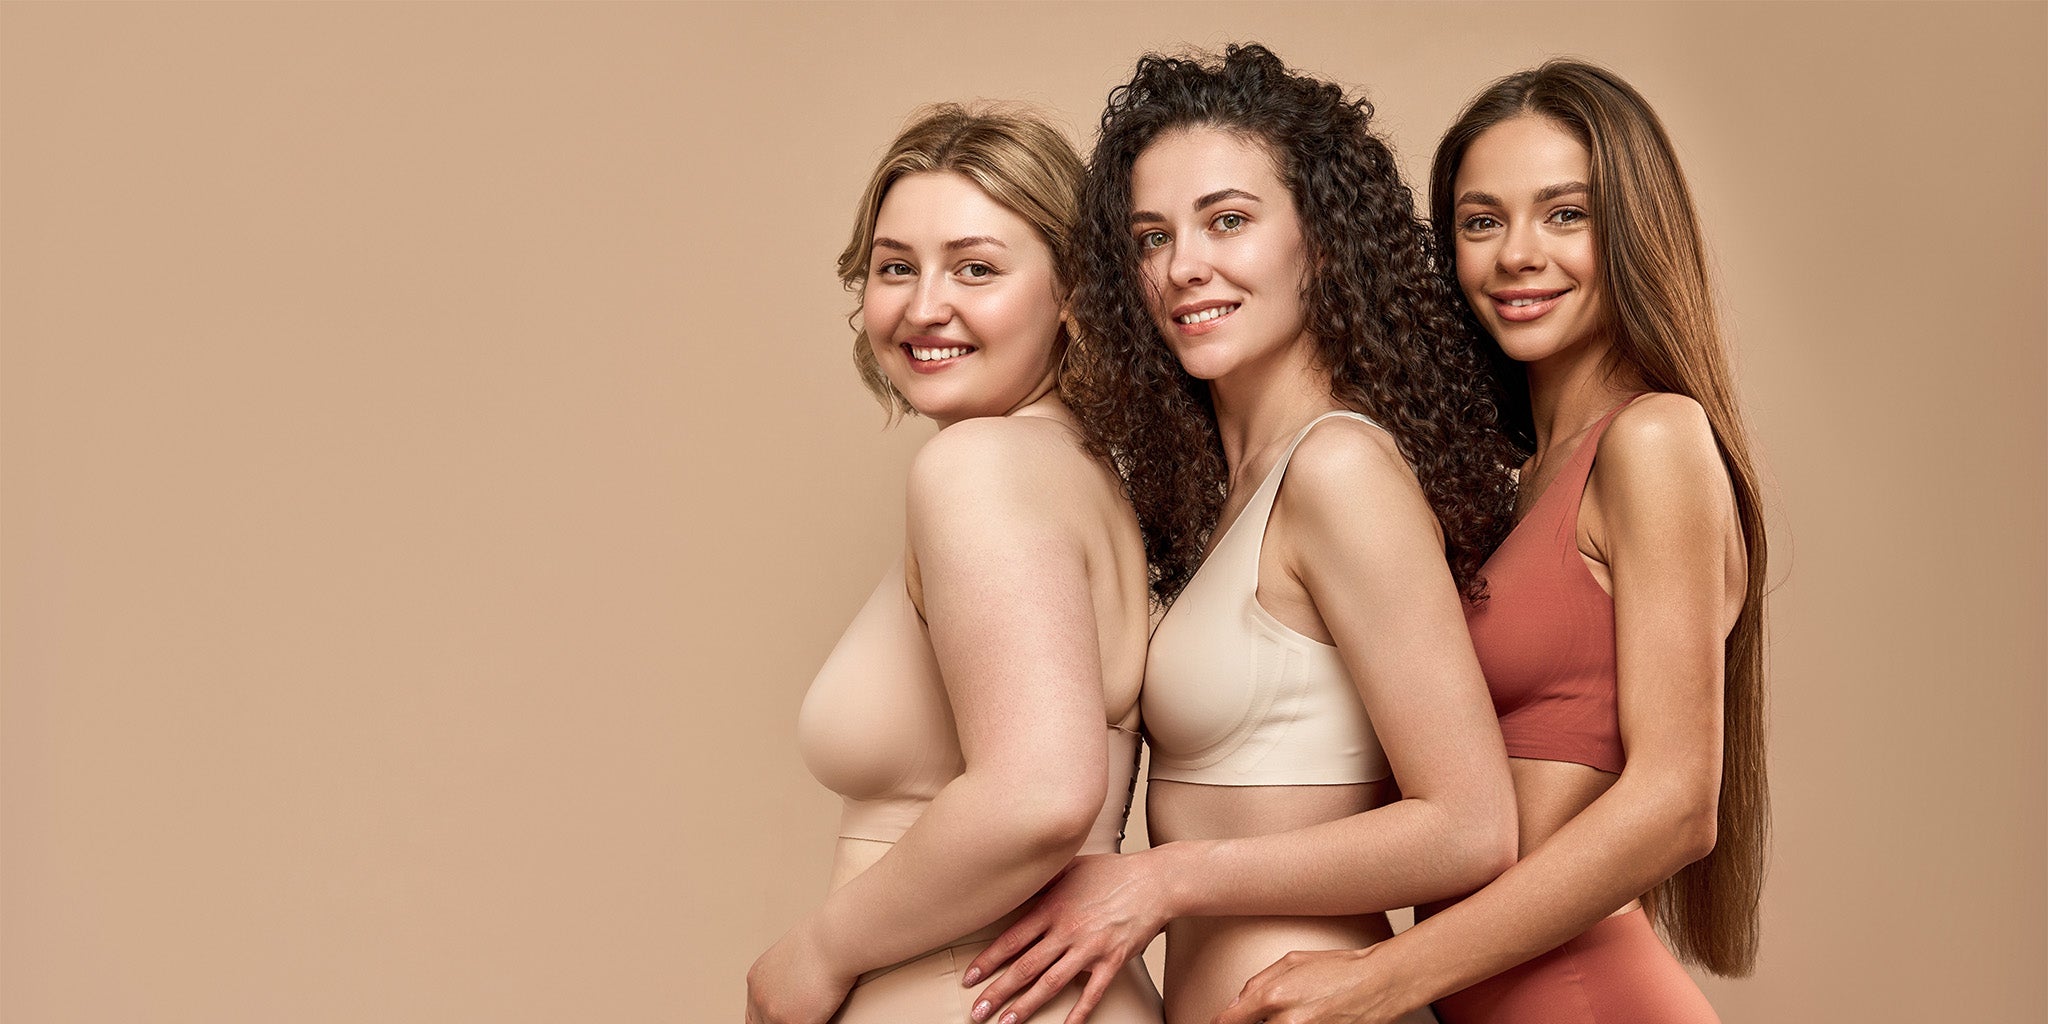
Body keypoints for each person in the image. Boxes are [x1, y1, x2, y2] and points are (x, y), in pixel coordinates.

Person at [958, 45, 1518, 1024]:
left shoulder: (1338, 470)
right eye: (1149, 236)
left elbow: (1470, 827)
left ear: (1320, 237)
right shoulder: (1228, 492)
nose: (1182, 267)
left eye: (1226, 220)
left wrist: (1164, 879)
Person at [1213, 60, 1770, 1024]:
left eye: (1566, 214)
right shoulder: (1506, 485)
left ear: (1635, 231)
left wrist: (1385, 979)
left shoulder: (1653, 440)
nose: (1517, 254)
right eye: (1481, 221)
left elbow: (1679, 801)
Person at [744, 105, 1163, 1024]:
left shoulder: (980, 467)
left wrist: (812, 956)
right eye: (897, 267)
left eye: (975, 267)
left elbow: (1042, 794)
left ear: (1072, 293)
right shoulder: (1078, 470)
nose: (924, 306)